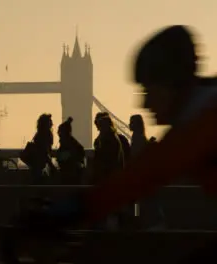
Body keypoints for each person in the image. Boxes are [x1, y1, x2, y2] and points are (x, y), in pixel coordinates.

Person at [12, 25, 217, 242]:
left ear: (172, 85)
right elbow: (139, 175)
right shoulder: (197, 119)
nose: (143, 103)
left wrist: (67, 212)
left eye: (148, 90)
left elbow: (141, 177)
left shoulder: (200, 128)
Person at [21, 114, 56, 184]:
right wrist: (51, 165)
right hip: (40, 163)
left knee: (36, 181)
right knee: (41, 182)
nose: (52, 123)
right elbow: (44, 151)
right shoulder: (46, 135)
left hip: (36, 163)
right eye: (50, 121)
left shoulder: (39, 134)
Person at [56, 117, 85, 185]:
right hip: (72, 173)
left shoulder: (68, 143)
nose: (57, 132)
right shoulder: (72, 142)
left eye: (59, 130)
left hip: (69, 174)